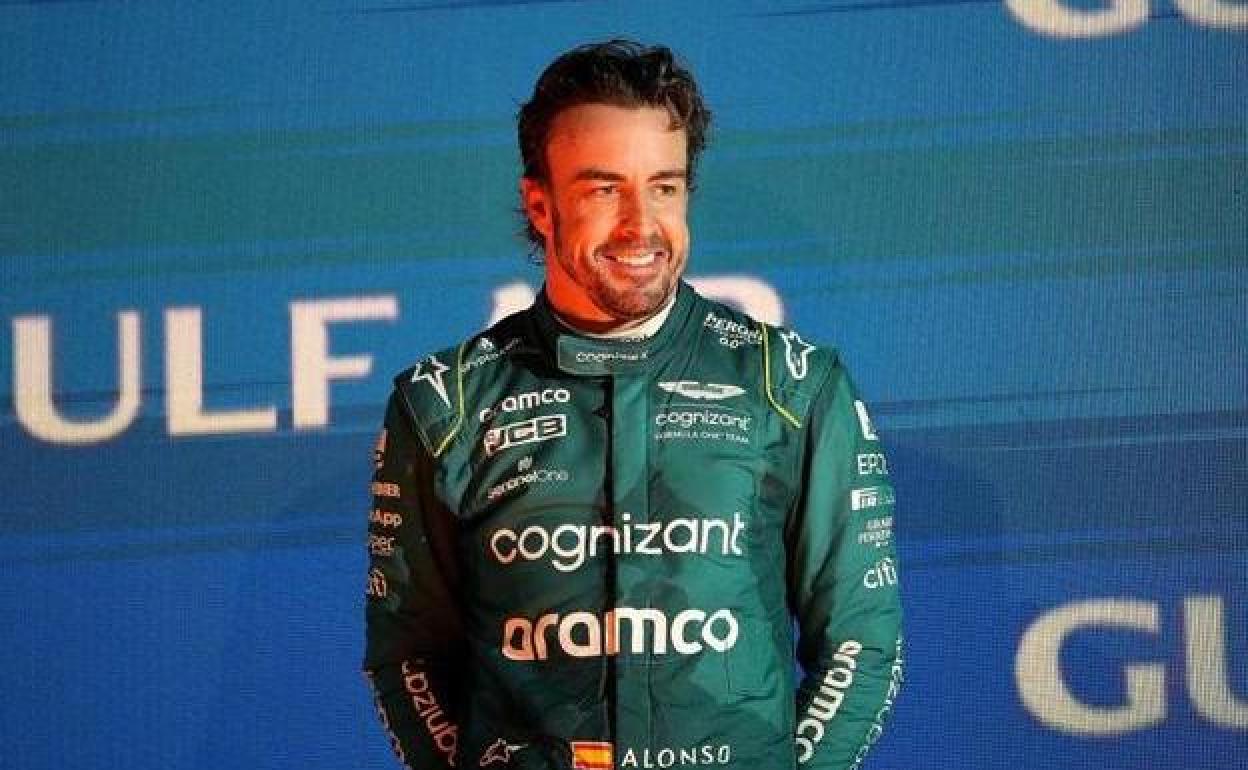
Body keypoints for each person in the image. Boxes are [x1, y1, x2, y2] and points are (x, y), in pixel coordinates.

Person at [364, 40, 903, 770]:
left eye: (665, 188)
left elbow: (863, 647)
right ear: (540, 205)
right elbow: (407, 660)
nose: (640, 226)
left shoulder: (794, 388)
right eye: (604, 190)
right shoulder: (444, 403)